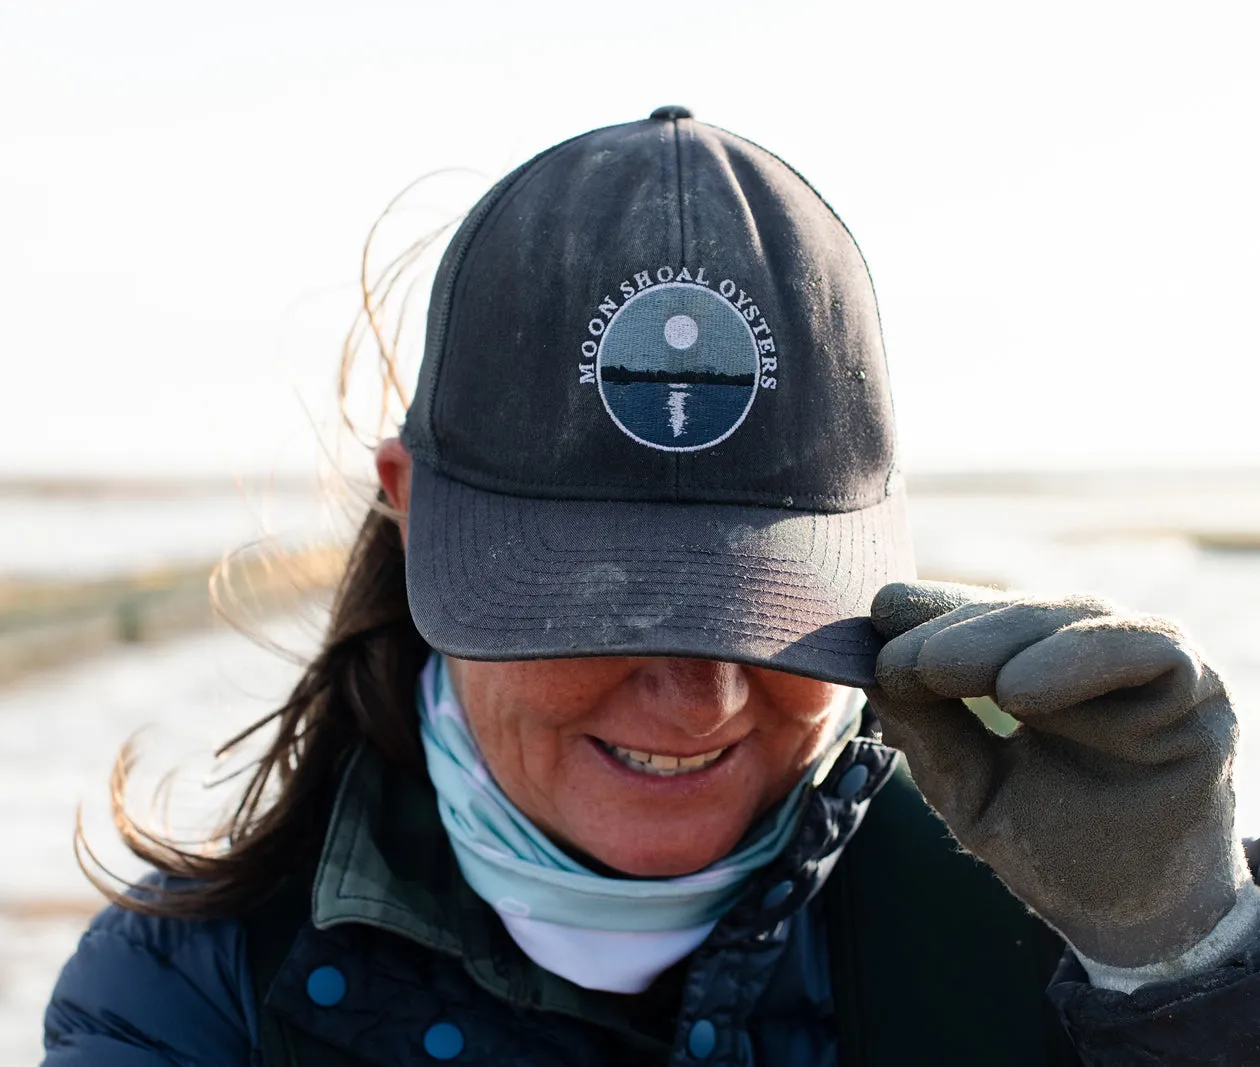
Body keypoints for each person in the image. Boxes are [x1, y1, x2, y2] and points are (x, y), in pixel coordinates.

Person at [41, 107, 1260, 1066]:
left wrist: (1190, 972)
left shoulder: (1051, 934)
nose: (700, 699)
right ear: (410, 510)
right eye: (603, 602)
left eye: (768, 609)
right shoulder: (190, 993)